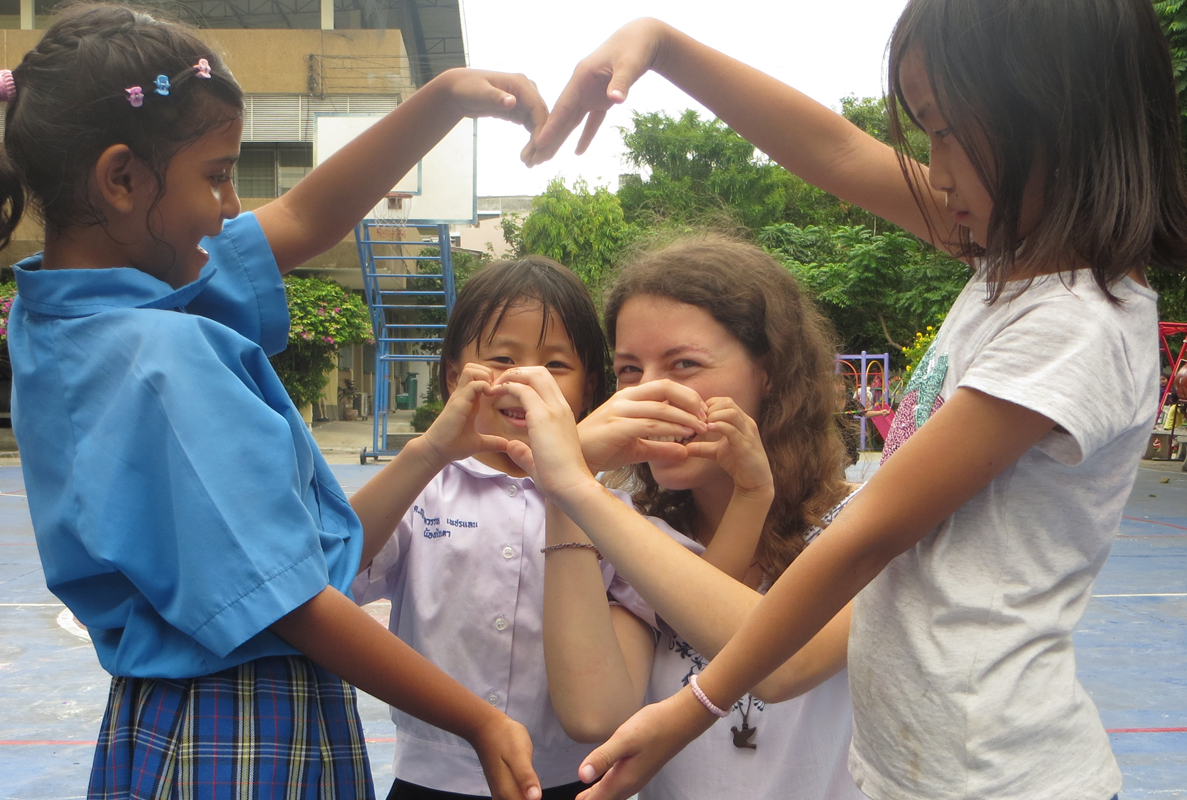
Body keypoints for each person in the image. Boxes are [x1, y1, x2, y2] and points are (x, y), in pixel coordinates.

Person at [514, 2, 1187, 798]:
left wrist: (692, 706)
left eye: (944, 131)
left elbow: (867, 536)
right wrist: (664, 47)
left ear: (1049, 116)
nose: (933, 172)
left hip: (996, 777)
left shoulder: (1076, 322)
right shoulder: (1012, 262)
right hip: (918, 770)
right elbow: (834, 151)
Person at [0, 5, 548, 799]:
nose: (229, 206)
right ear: (120, 180)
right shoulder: (160, 356)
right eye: (217, 175)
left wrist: (445, 97)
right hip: (241, 727)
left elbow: (303, 216)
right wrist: (479, 719)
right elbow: (294, 606)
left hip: (166, 719)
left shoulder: (72, 318)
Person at [536, 235, 868, 800]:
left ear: (770, 373)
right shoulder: (631, 529)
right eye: (628, 370)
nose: (652, 393)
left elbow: (781, 665)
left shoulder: (868, 523)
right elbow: (594, 713)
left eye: (685, 364)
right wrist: (566, 498)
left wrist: (571, 481)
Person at [350, 256, 637, 800]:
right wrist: (427, 452)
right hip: (431, 779)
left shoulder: (609, 508)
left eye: (555, 365)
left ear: (588, 387)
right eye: (503, 357)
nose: (527, 378)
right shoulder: (426, 489)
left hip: (571, 779)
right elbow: (332, 567)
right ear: (457, 376)